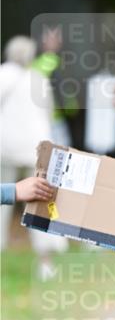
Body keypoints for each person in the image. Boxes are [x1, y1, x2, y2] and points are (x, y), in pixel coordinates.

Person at [0, 35, 68, 276]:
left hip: (5, 147)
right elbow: (49, 113)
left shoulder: (3, 74)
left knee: (2, 198)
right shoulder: (37, 78)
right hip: (35, 147)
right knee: (39, 199)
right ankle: (46, 256)